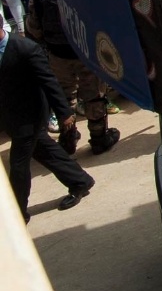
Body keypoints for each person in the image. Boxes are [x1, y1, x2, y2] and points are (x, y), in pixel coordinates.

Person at [1, 23, 94, 216]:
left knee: (18, 165)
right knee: (44, 150)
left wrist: (64, 112)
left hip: (30, 116)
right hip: (11, 116)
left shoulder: (25, 48)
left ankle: (17, 212)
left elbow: (48, 81)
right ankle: (80, 181)